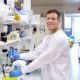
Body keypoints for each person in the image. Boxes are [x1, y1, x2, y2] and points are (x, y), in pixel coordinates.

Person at [10, 9, 70, 80]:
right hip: (47, 76)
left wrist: (22, 71)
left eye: (53, 18)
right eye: (48, 18)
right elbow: (36, 53)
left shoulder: (61, 38)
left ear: (59, 21)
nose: (50, 21)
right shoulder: (47, 37)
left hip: (58, 77)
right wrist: (19, 56)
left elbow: (43, 59)